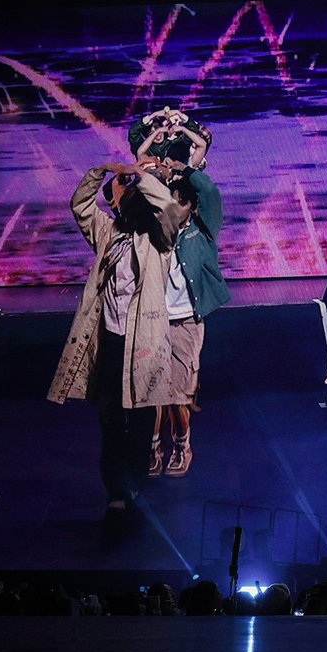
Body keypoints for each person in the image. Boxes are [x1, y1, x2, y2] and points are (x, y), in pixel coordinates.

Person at [48, 160, 182, 526]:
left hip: (142, 348)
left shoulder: (159, 241)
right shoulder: (107, 234)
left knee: (138, 425)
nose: (118, 204)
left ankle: (132, 486)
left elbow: (169, 209)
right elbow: (80, 205)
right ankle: (116, 493)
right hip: (109, 342)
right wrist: (101, 170)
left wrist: (143, 177)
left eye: (126, 199)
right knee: (110, 425)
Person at [132, 113, 228, 479]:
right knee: (151, 394)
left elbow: (208, 190)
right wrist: (152, 128)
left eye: (177, 199)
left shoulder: (203, 228)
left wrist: (185, 165)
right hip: (153, 319)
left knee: (177, 397)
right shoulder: (153, 230)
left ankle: (183, 445)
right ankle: (153, 450)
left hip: (186, 321)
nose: (171, 205)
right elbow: (139, 168)